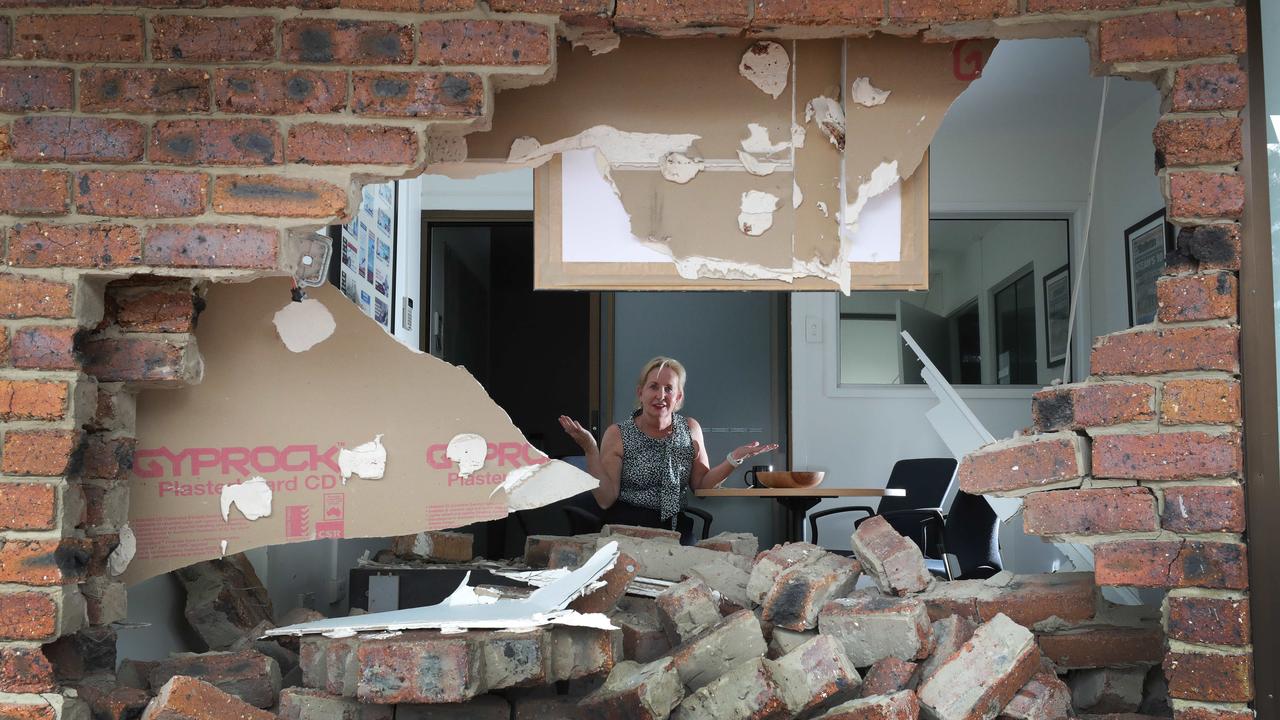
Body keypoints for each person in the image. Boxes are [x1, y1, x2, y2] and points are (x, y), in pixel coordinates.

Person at [558, 356, 778, 543]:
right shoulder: (618, 433)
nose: (660, 395)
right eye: (653, 386)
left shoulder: (690, 428)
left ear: (678, 397)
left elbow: (701, 486)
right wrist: (590, 448)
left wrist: (734, 459)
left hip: (676, 528)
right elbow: (606, 499)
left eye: (669, 389)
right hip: (627, 529)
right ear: (641, 392)